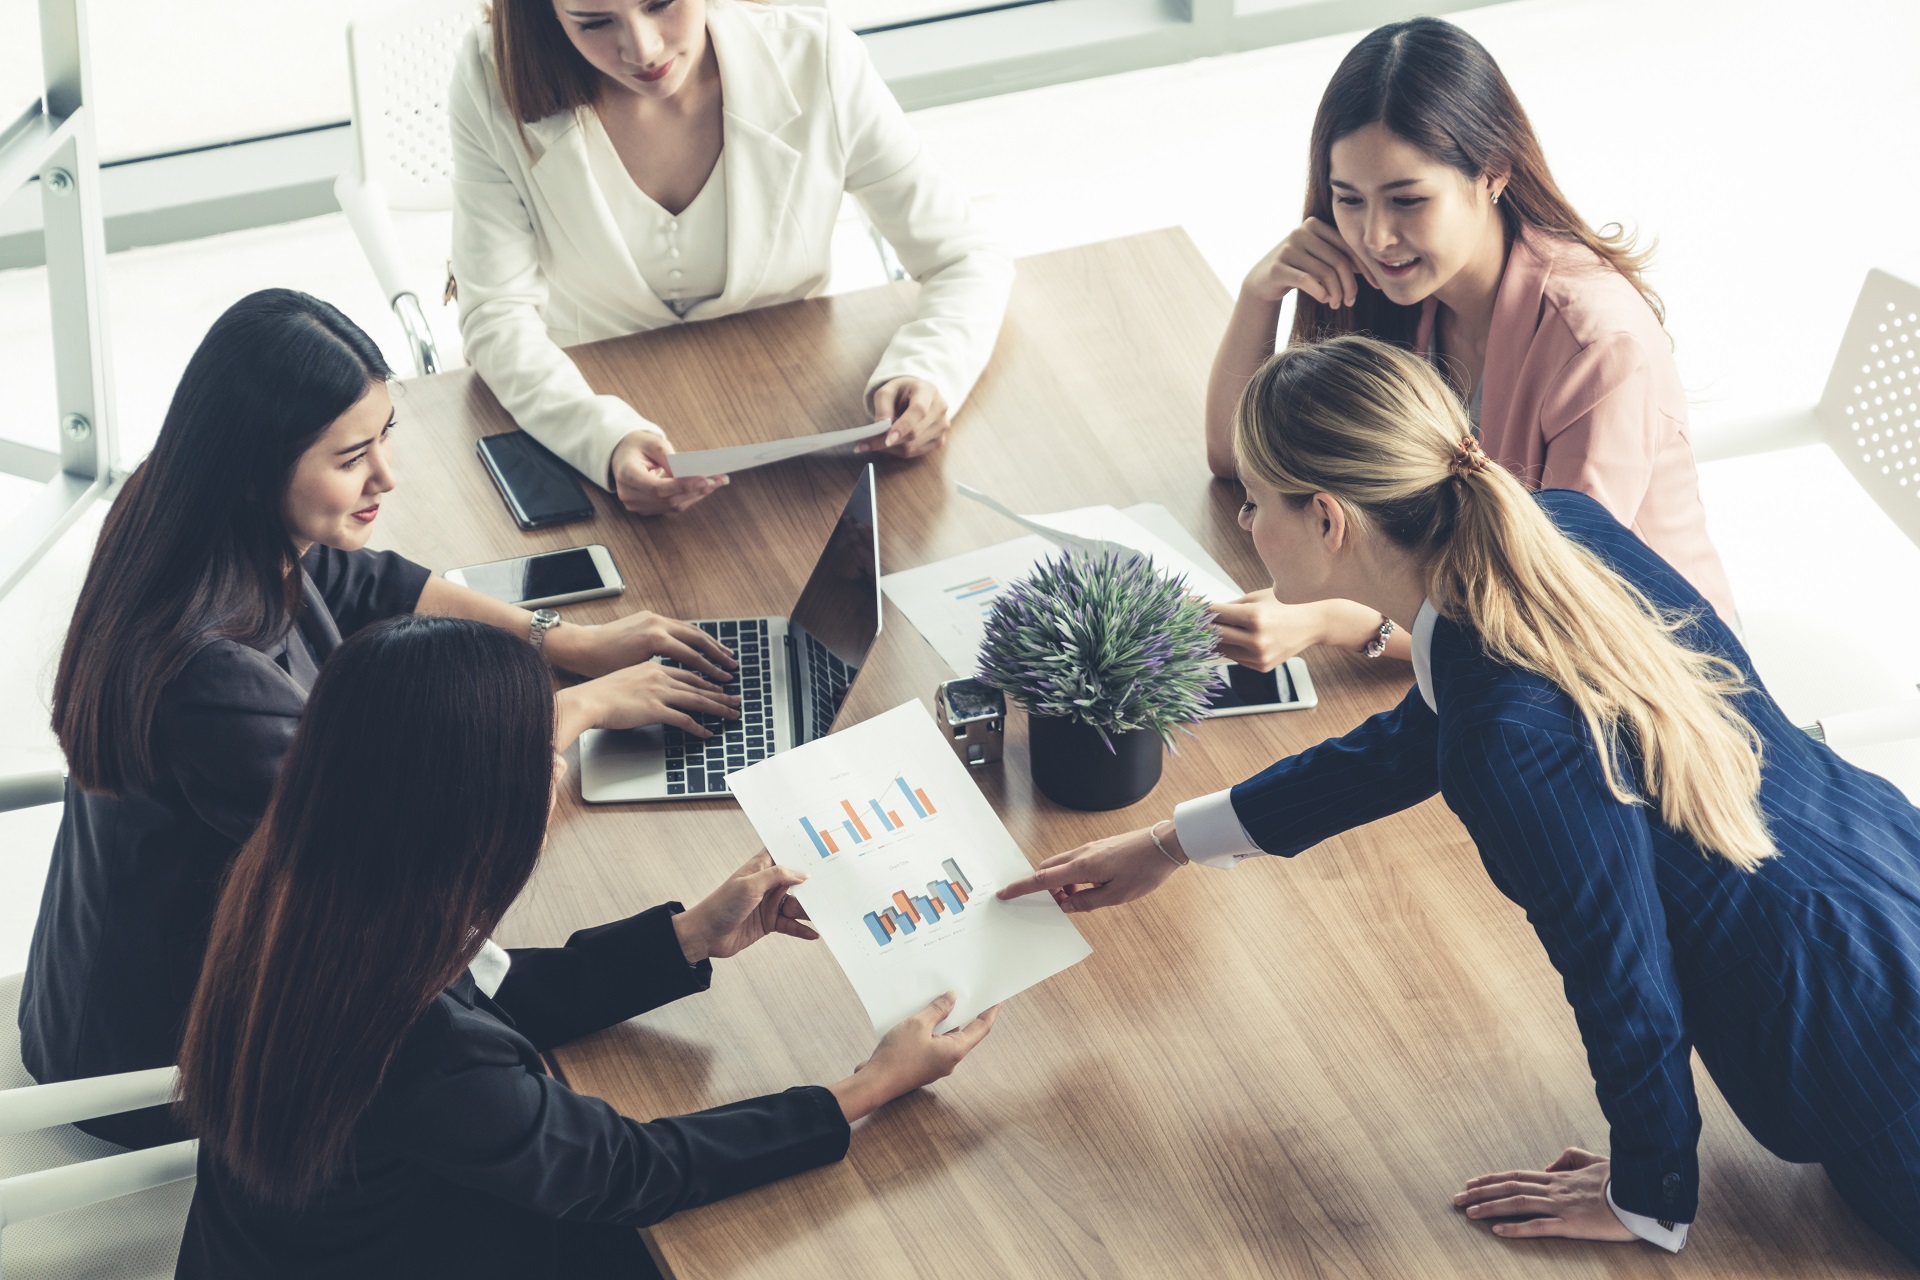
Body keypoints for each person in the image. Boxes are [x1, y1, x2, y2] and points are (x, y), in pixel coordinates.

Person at [1003, 336, 1920, 1264]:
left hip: (1857, 1037)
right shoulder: (1556, 530)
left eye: (1254, 500)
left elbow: (1618, 971)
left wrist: (1647, 1191)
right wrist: (1170, 844)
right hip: (1887, 872)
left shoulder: (1504, 729)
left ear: (1328, 517)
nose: (1244, 521)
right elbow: (1419, 734)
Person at [22, 289, 741, 1149]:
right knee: (546, 1117)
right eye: (352, 455)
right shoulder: (208, 679)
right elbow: (421, 857)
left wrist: (561, 640)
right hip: (165, 1067)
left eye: (385, 434)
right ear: (255, 465)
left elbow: (364, 583)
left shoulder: (187, 515)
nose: (386, 476)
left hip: (112, 986)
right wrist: (572, 711)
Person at [172, 614, 995, 1278]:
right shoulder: (425, 1050)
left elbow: (494, 994)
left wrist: (689, 937)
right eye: (543, 754)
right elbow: (633, 1171)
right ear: (472, 806)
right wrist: (866, 1088)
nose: (559, 771)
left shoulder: (304, 891)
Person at [1202, 16, 1735, 673]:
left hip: (1651, 686)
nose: (1374, 237)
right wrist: (1261, 295)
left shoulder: (1598, 346)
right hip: (1482, 659)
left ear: (1492, 174)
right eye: (1349, 200)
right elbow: (1237, 460)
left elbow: (1550, 609)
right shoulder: (1397, 293)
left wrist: (1340, 620)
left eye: (1406, 200)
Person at [450, 0, 1014, 515]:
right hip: (593, 416)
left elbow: (964, 254)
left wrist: (929, 368)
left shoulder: (815, 56)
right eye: (594, 22)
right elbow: (497, 314)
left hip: (799, 434)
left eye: (660, 3)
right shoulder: (489, 76)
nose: (643, 48)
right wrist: (602, 439)